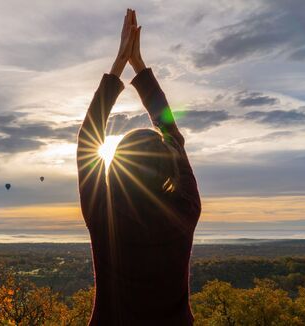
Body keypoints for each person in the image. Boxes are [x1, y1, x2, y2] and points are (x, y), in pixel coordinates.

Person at [77, 9, 201, 325]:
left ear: (116, 169)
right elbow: (173, 135)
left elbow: (88, 139)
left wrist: (119, 64)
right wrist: (139, 67)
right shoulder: (185, 211)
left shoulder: (103, 213)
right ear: (168, 167)